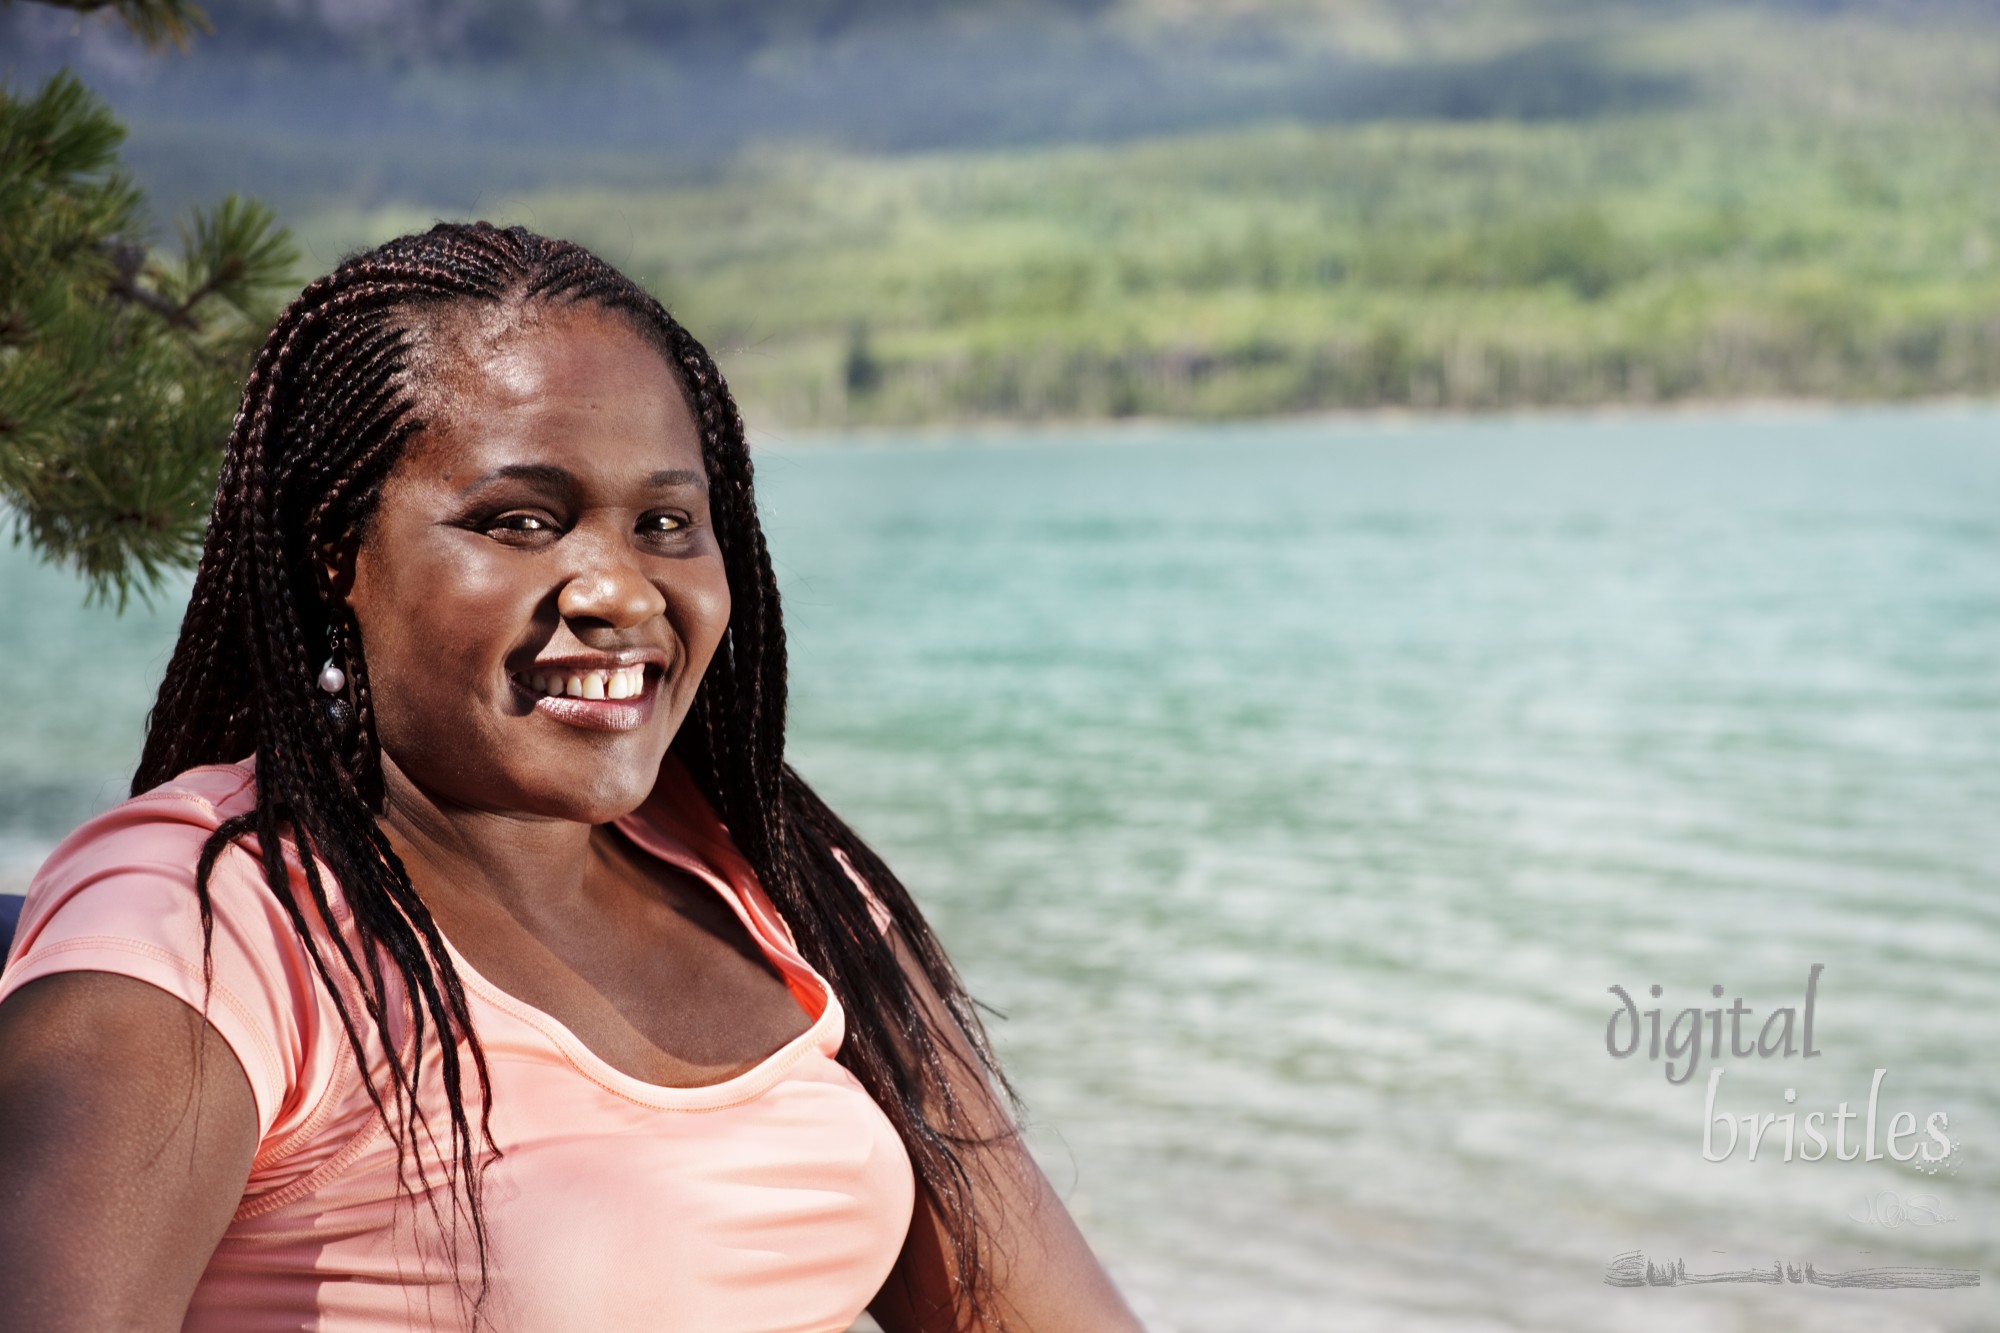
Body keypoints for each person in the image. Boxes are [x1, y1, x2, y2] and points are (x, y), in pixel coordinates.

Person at [0, 223, 1144, 1332]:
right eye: (520, 521)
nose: (616, 590)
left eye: (663, 522)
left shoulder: (785, 883)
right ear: (332, 548)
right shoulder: (200, 924)